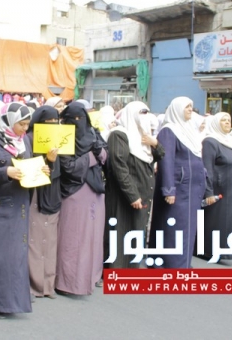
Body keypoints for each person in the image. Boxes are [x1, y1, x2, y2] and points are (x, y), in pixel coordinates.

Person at [0, 103, 38, 318]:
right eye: (21, 124)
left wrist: (42, 168)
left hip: (20, 205)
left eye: (27, 124)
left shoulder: (24, 142)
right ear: (9, 121)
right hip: (0, 208)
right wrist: (6, 172)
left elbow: (29, 167)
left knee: (17, 256)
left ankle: (15, 300)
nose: (25, 128)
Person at [149, 97, 207, 268]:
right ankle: (171, 264)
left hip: (192, 189)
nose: (190, 109)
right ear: (177, 109)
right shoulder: (168, 131)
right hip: (179, 188)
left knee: (188, 227)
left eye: (191, 106)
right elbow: (166, 161)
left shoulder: (188, 130)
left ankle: (183, 263)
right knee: (174, 227)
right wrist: (169, 189)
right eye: (186, 107)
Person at [56, 102, 107, 294]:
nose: (78, 122)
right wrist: (92, 157)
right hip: (73, 193)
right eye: (73, 119)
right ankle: (68, 282)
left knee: (93, 238)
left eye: (81, 118)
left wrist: (98, 153)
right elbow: (69, 168)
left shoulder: (94, 133)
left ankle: (90, 277)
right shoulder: (63, 137)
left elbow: (105, 156)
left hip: (95, 192)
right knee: (72, 239)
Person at [104, 102, 163, 268]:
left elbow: (160, 155)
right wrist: (132, 195)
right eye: (141, 113)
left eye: (146, 113)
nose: (145, 117)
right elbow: (119, 166)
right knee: (121, 232)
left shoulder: (143, 137)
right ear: (132, 114)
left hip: (142, 194)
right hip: (125, 196)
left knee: (136, 233)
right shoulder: (119, 135)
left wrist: (155, 143)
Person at [26, 106, 62, 299]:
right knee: (34, 240)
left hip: (52, 193)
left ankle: (48, 285)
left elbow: (61, 169)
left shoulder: (59, 139)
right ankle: (34, 284)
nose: (52, 125)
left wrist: (53, 161)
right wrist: (46, 161)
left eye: (56, 121)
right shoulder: (29, 139)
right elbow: (28, 166)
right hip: (35, 194)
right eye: (48, 121)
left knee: (50, 240)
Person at [200, 112, 232, 260]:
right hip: (219, 189)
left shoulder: (231, 141)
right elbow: (207, 168)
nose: (227, 122)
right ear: (215, 123)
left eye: (229, 120)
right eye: (223, 120)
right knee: (216, 221)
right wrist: (208, 192)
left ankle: (229, 250)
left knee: (231, 221)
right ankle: (209, 250)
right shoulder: (210, 142)